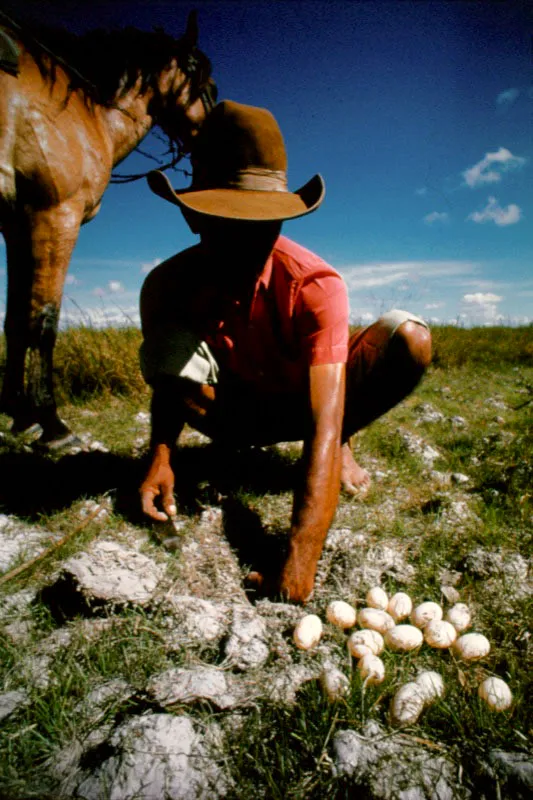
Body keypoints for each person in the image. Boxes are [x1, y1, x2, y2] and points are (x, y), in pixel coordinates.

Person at [139, 100, 431, 603]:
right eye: (229, 223)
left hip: (305, 408)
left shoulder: (316, 286)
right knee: (164, 343)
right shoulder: (166, 286)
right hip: (231, 413)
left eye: (265, 222)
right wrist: (161, 455)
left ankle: (343, 446)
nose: (250, 242)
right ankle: (308, 445)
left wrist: (301, 553)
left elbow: (322, 419)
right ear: (193, 218)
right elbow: (171, 382)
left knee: (410, 338)